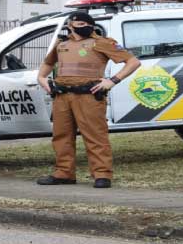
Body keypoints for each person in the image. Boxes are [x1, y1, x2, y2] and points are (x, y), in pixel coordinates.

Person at [36, 12, 140, 188]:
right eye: (80, 23)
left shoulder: (102, 42)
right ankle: (64, 173)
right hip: (62, 96)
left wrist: (112, 81)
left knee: (95, 136)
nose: (85, 26)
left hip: (88, 96)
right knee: (61, 137)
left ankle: (102, 174)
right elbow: (48, 63)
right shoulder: (62, 43)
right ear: (70, 25)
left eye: (87, 23)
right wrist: (42, 78)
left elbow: (133, 62)